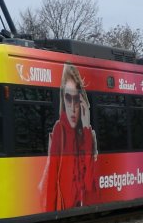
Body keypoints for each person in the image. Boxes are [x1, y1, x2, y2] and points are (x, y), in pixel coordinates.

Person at [38, 63, 98, 210]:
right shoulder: (59, 131)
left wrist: (86, 128)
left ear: (81, 101)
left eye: (76, 100)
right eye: (68, 98)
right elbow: (51, 184)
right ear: (63, 100)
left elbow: (90, 186)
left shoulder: (88, 135)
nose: (72, 107)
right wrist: (49, 215)